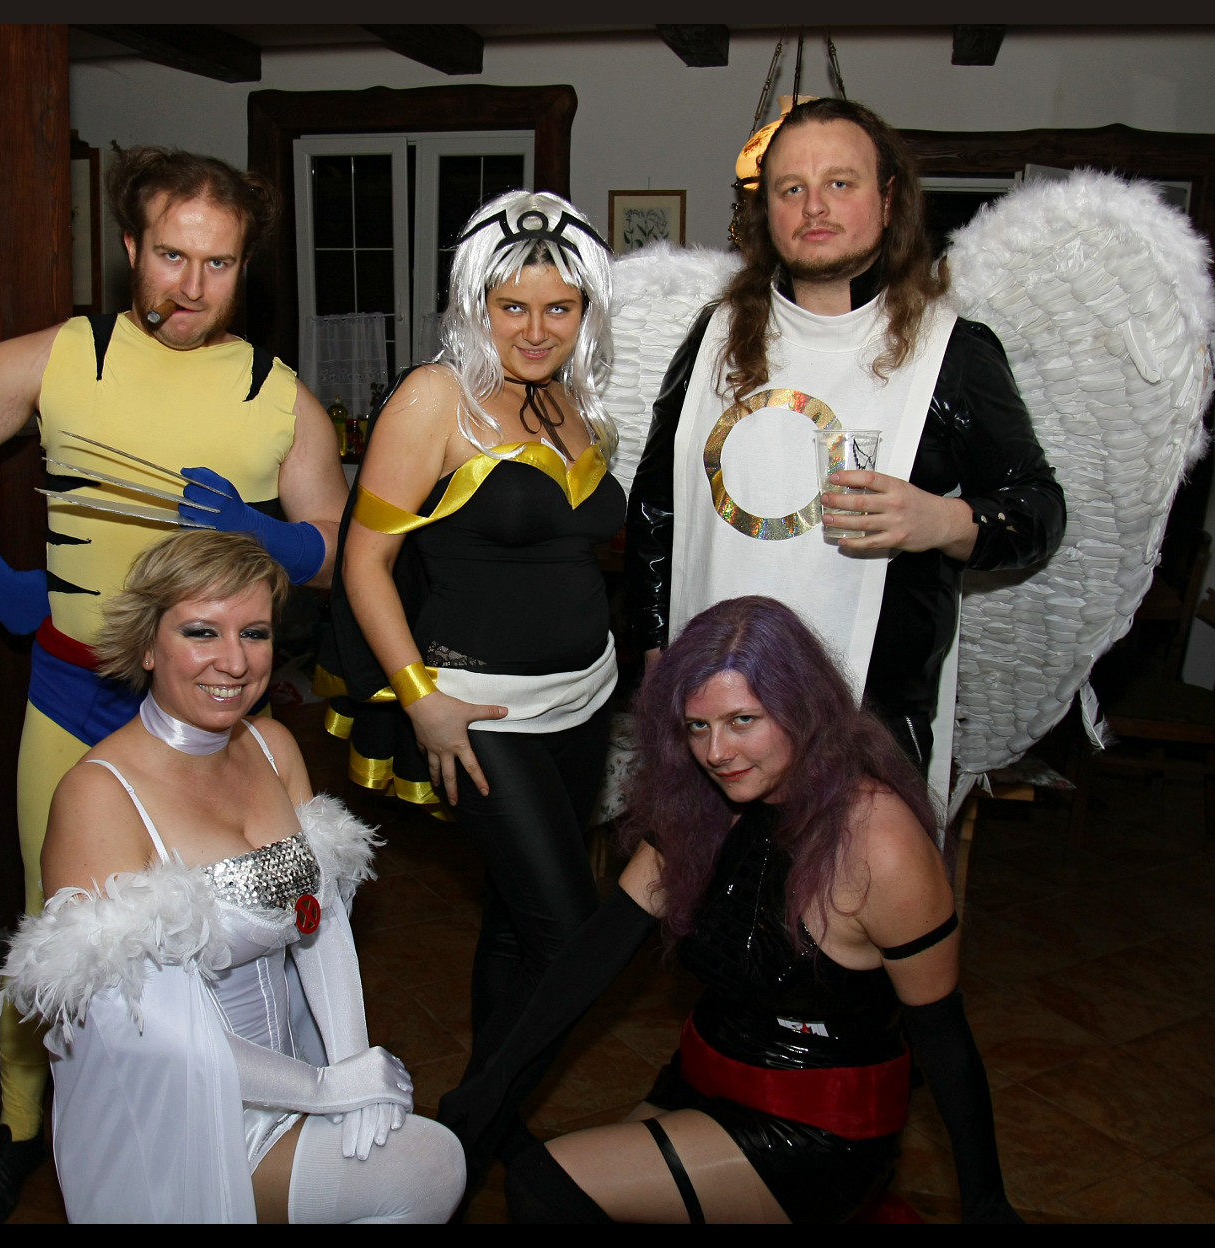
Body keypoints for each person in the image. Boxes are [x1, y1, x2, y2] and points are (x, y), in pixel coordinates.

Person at [0, 148, 349, 1222]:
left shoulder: (277, 397)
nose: (192, 284)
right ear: (131, 248)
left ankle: (240, 1111)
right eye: (172, 255)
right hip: (73, 695)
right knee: (54, 934)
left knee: (249, 924)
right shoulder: (63, 357)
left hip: (218, 716)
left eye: (218, 263)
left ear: (245, 268)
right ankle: (23, 1132)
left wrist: (266, 531)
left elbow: (331, 546)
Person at [439, 596, 1020, 1223]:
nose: (716, 752)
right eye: (697, 727)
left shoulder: (879, 841)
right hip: (702, 1082)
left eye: (743, 720)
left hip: (816, 1129)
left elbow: (943, 1034)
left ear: (803, 708)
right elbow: (591, 957)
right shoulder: (704, 806)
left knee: (544, 1187)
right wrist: (490, 1086)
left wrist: (986, 1203)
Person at [1, 529, 465, 1223]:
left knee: (414, 1150)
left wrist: (352, 1067)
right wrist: (323, 1089)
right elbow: (142, 1031)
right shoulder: (98, 795)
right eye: (201, 632)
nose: (235, 661)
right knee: (429, 1165)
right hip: (179, 1116)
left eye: (254, 633)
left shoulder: (272, 746)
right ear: (148, 645)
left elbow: (318, 922)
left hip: (296, 1073)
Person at [624, 98, 1064, 790]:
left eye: (840, 182)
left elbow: (1039, 510)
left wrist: (942, 520)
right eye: (790, 189)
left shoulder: (952, 353)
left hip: (871, 721)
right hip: (710, 713)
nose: (814, 206)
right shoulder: (712, 338)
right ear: (767, 211)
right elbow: (656, 509)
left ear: (888, 201)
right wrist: (656, 653)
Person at [315, 190, 622, 1115]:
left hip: (586, 702)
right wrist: (419, 697)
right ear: (474, 304)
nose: (535, 329)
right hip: (482, 714)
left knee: (518, 923)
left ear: (586, 311)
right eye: (512, 306)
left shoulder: (572, 399)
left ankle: (490, 1125)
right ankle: (473, 1127)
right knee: (572, 936)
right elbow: (364, 562)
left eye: (559, 307)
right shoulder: (434, 397)